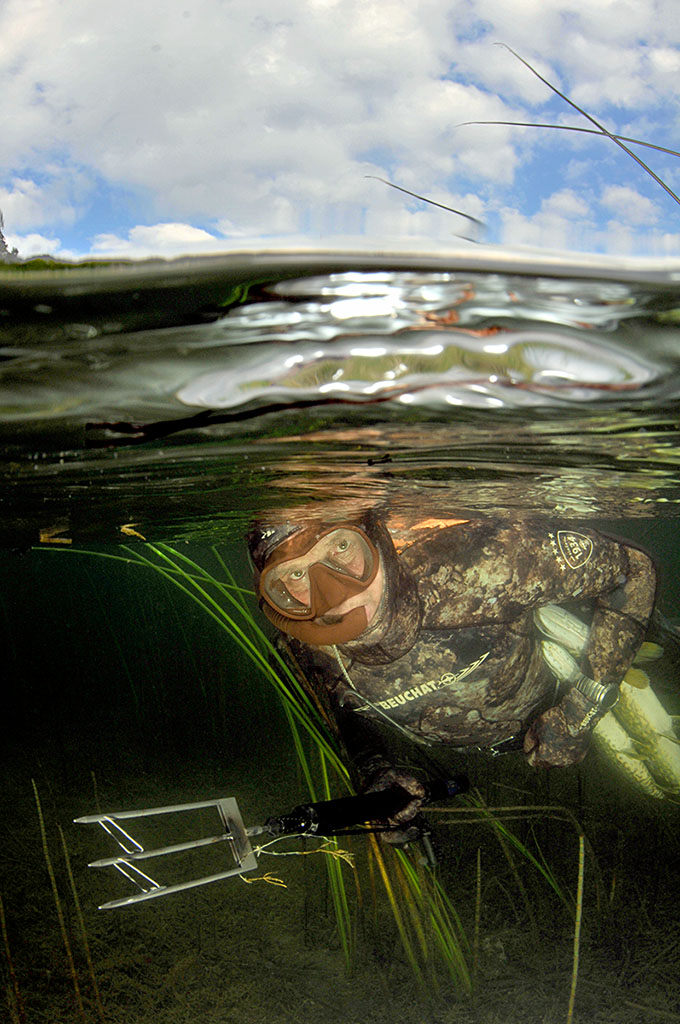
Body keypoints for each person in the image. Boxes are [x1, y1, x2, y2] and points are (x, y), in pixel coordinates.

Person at [248, 511, 657, 826]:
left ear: (377, 540)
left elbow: (632, 570)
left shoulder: (481, 568)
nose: (335, 594)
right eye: (297, 574)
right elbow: (342, 711)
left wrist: (581, 710)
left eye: (341, 549)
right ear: (276, 595)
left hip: (574, 698)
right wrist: (376, 772)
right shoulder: (302, 652)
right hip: (485, 766)